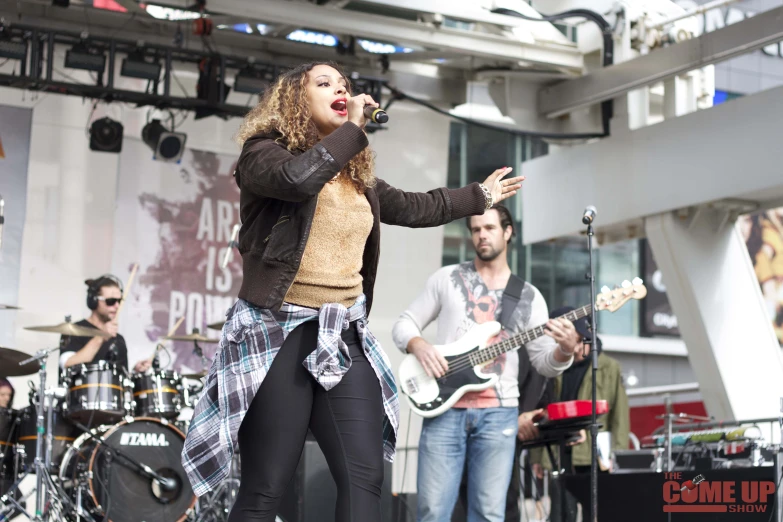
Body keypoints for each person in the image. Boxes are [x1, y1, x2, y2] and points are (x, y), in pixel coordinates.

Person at [180, 60, 525, 522]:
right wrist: (356, 129)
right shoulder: (262, 155)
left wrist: (479, 197)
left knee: (365, 477)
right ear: (295, 101)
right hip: (278, 330)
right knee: (268, 485)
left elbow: (419, 206)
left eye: (345, 85)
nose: (341, 90)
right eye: (325, 84)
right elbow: (298, 180)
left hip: (341, 334)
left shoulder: (356, 180)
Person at [391, 204, 580, 522]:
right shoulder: (447, 279)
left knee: (490, 514)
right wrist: (419, 345)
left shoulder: (528, 296)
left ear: (508, 232)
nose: (482, 235)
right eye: (476, 229)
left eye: (490, 228)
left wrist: (566, 349)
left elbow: (545, 363)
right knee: (432, 511)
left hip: (499, 415)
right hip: (443, 410)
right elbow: (404, 324)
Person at [529, 306, 630, 522]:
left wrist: (618, 455)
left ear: (583, 336)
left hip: (595, 455)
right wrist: (537, 457)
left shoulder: (609, 367)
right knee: (560, 514)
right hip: (560, 452)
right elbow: (541, 408)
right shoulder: (553, 364)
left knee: (597, 513)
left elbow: (620, 416)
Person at [59, 275, 151, 375]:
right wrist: (101, 336)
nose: (117, 306)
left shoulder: (119, 339)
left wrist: (135, 371)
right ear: (93, 301)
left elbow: (122, 381)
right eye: (111, 301)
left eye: (119, 301)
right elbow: (67, 364)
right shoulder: (74, 330)